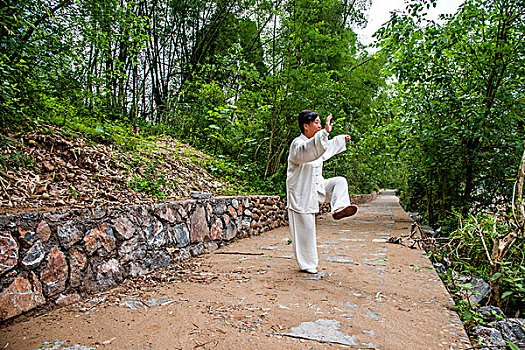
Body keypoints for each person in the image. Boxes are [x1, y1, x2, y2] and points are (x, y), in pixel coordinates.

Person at [286, 109, 358, 274]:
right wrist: (324, 133)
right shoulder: (298, 144)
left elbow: (325, 147)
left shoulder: (316, 144)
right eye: (316, 123)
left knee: (339, 182)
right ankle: (307, 264)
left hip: (318, 187)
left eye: (320, 122)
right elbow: (310, 150)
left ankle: (339, 208)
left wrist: (340, 140)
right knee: (306, 230)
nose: (319, 126)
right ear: (306, 126)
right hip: (301, 193)